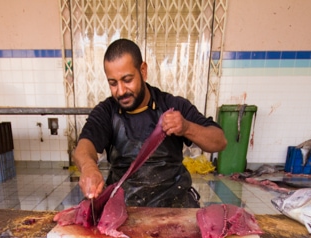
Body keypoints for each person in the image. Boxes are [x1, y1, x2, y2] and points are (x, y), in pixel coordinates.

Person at [74, 38, 226, 208]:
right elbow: (84, 146)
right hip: (125, 206)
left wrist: (187, 127)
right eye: (113, 83)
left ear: (143, 71)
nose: (121, 91)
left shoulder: (173, 105)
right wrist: (88, 167)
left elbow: (219, 141)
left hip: (174, 206)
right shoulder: (107, 111)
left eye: (127, 79)